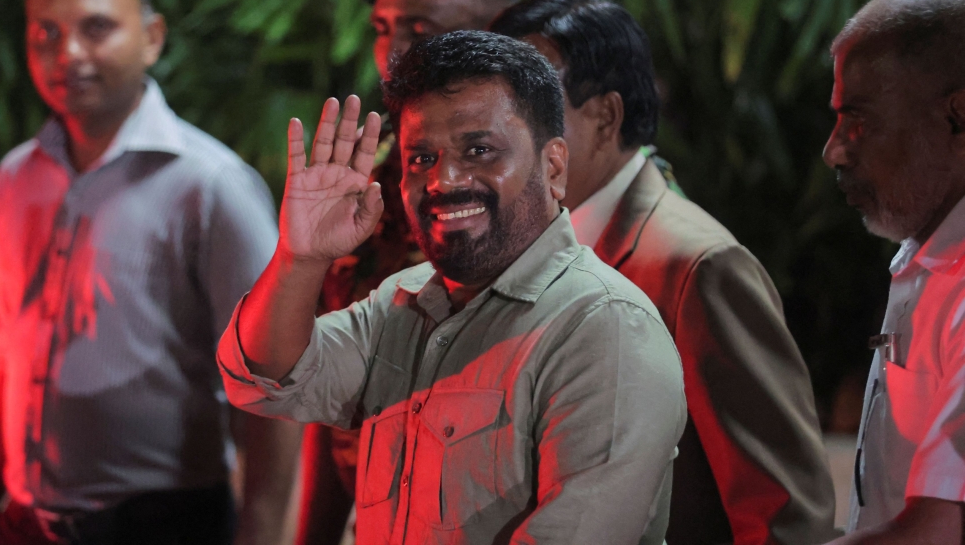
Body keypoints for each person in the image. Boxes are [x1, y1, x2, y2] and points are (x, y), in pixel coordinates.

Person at [219, 30, 687, 544]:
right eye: (420, 158)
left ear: (553, 167)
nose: (443, 180)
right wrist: (300, 257)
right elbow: (266, 380)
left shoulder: (607, 328)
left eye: (479, 149)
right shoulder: (404, 301)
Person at [0, 0, 302, 545]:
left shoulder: (211, 186)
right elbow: (8, 354)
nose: (67, 53)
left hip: (161, 525)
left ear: (152, 36)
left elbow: (270, 396)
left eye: (96, 28)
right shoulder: (18, 176)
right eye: (45, 32)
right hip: (22, 524)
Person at [491, 0, 837, 545]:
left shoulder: (695, 268)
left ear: (605, 117)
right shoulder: (524, 242)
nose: (498, 138)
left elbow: (783, 513)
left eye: (530, 110)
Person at [296, 0, 525, 545]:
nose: (393, 55)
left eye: (421, 30)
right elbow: (331, 382)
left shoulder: (535, 188)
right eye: (382, 29)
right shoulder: (369, 176)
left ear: (499, 33)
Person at [822, 0, 965, 544]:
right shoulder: (929, 254)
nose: (833, 149)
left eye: (857, 119)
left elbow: (934, 533)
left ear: (957, 117)